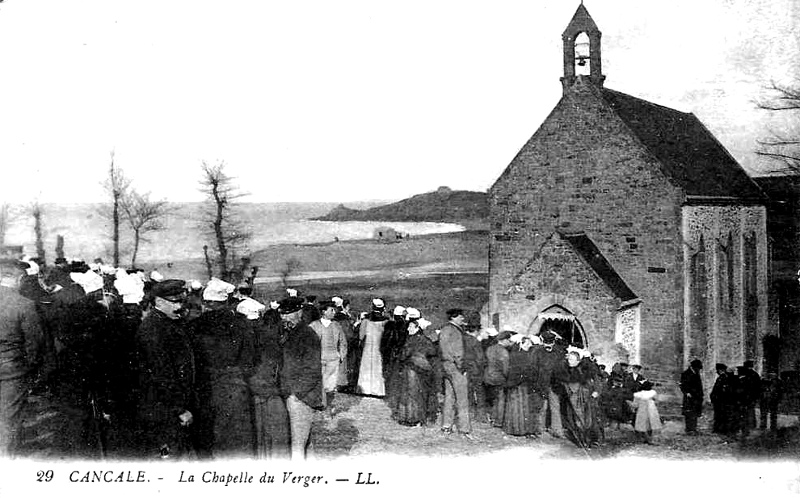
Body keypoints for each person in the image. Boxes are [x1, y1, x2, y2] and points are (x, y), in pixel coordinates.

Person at [191, 278, 258, 458]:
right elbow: (250, 359)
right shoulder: (242, 323)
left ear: (207, 302)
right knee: (238, 441)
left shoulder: (195, 325)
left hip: (207, 388)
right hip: (236, 387)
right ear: (226, 300)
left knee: (211, 440)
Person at [134, 279, 196, 459]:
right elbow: (162, 375)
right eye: (175, 302)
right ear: (159, 302)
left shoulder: (167, 322)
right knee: (168, 458)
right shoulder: (153, 329)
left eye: (182, 301)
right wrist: (179, 409)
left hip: (170, 408)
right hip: (164, 410)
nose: (180, 307)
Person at [0, 259, 45, 457]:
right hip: (12, 371)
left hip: (12, 369)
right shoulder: (25, 304)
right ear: (19, 279)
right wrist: (30, 367)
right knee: (8, 419)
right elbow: (34, 344)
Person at [245, 297, 290, 459]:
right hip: (271, 393)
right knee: (275, 435)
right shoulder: (272, 340)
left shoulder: (249, 338)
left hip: (256, 394)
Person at [279, 296, 323, 460]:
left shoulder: (307, 335)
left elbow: (313, 370)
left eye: (288, 313)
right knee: (304, 443)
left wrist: (296, 394)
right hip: (296, 395)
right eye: (282, 314)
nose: (284, 317)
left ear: (299, 312)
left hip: (301, 398)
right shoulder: (290, 333)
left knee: (297, 445)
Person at [391, 318, 439, 426]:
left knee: (410, 395)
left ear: (418, 328)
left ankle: (411, 418)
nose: (408, 329)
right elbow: (432, 352)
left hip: (411, 371)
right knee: (417, 395)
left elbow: (404, 355)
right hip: (422, 371)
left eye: (410, 326)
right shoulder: (425, 340)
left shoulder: (412, 340)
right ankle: (417, 418)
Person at [558, 349, 603, 449]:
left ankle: (594, 440)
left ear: (578, 361)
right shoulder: (566, 370)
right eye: (569, 359)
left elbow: (596, 381)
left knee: (589, 419)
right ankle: (582, 440)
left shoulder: (586, 369)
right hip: (573, 399)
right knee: (575, 419)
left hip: (587, 398)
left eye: (573, 360)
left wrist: (596, 391)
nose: (570, 362)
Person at [308, 301, 348, 414]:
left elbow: (343, 342)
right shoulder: (314, 325)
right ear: (324, 311)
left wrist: (341, 356)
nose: (334, 312)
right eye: (331, 310)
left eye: (334, 310)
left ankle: (328, 406)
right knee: (319, 383)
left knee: (331, 385)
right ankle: (320, 405)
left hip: (333, 359)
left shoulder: (336, 325)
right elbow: (307, 343)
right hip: (318, 359)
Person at [439, 308, 473, 438]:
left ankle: (446, 426)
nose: (463, 319)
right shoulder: (456, 332)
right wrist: (462, 368)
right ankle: (464, 429)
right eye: (460, 317)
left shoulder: (444, 330)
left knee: (449, 397)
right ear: (454, 317)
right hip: (456, 367)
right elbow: (459, 352)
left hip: (445, 365)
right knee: (462, 399)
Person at [502, 335, 543, 438]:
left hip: (523, 384)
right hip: (518, 384)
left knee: (523, 407)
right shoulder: (517, 355)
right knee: (519, 406)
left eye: (530, 343)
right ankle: (517, 429)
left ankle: (522, 429)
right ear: (521, 343)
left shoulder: (529, 355)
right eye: (527, 343)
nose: (529, 345)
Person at [357, 299, 389, 397]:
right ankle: (377, 390)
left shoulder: (366, 320)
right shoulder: (385, 321)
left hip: (367, 347)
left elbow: (361, 336)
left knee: (366, 367)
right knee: (377, 367)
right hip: (378, 348)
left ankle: (365, 389)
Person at [483, 330, 512, 428]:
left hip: (488, 377)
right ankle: (498, 421)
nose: (510, 342)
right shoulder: (504, 352)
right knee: (500, 399)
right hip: (499, 378)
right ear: (504, 340)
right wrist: (508, 377)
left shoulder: (489, 349)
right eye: (509, 340)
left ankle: (492, 417)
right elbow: (505, 368)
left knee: (493, 399)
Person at [679, 359, 704, 435]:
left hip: (697, 396)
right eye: (697, 368)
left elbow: (699, 385)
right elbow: (682, 385)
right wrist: (686, 393)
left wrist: (701, 395)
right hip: (689, 397)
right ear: (693, 367)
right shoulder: (685, 374)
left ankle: (694, 428)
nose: (698, 370)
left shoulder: (697, 373)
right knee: (689, 413)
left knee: (695, 413)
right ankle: (689, 429)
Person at [710, 363, 734, 435]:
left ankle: (721, 430)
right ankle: (719, 429)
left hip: (722, 401)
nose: (717, 372)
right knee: (719, 415)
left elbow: (720, 390)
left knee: (721, 415)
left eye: (718, 370)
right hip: (719, 401)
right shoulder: (721, 378)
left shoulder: (724, 378)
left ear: (721, 370)